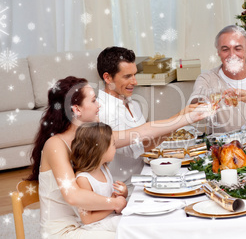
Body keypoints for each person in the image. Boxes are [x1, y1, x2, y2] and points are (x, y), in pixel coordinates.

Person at [27, 76, 208, 238]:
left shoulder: (91, 137)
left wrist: (185, 117)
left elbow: (142, 132)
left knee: (146, 226)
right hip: (65, 232)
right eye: (93, 100)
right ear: (77, 109)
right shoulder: (55, 145)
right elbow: (72, 195)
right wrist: (114, 202)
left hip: (90, 222)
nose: (99, 105)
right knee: (138, 232)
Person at [97, 47, 158, 194]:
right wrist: (176, 123)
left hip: (144, 176)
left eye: (135, 75)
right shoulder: (101, 110)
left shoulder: (133, 104)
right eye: (127, 76)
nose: (135, 82)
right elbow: (135, 149)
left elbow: (147, 140)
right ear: (107, 78)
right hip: (124, 191)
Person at [71, 122, 127, 232]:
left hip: (110, 217)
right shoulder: (84, 179)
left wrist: (123, 193)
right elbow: (87, 219)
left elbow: (113, 198)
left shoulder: (104, 169)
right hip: (95, 226)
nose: (115, 148)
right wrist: (114, 205)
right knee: (130, 226)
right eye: (113, 144)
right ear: (101, 150)